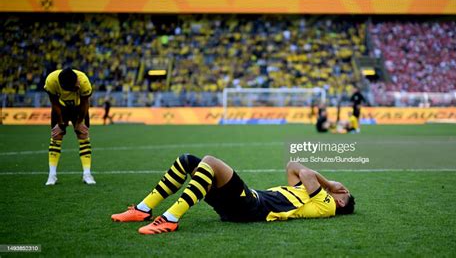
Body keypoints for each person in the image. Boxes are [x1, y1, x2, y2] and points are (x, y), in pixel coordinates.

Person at [111, 154, 355, 234]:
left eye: (343, 192)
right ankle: (142, 210)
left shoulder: (328, 206)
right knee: (188, 161)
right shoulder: (306, 195)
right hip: (241, 207)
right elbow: (294, 165)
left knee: (210, 162)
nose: (340, 189)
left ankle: (170, 219)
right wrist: (327, 184)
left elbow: (309, 174)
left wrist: (330, 184)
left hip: (252, 207)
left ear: (342, 202)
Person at [44, 68, 96, 185]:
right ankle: (52, 175)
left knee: (83, 134)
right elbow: (54, 103)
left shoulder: (83, 81)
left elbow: (85, 103)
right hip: (60, 108)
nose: (78, 84)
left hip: (79, 108)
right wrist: (61, 123)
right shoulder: (51, 81)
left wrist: (79, 122)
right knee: (56, 135)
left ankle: (87, 174)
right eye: (75, 85)